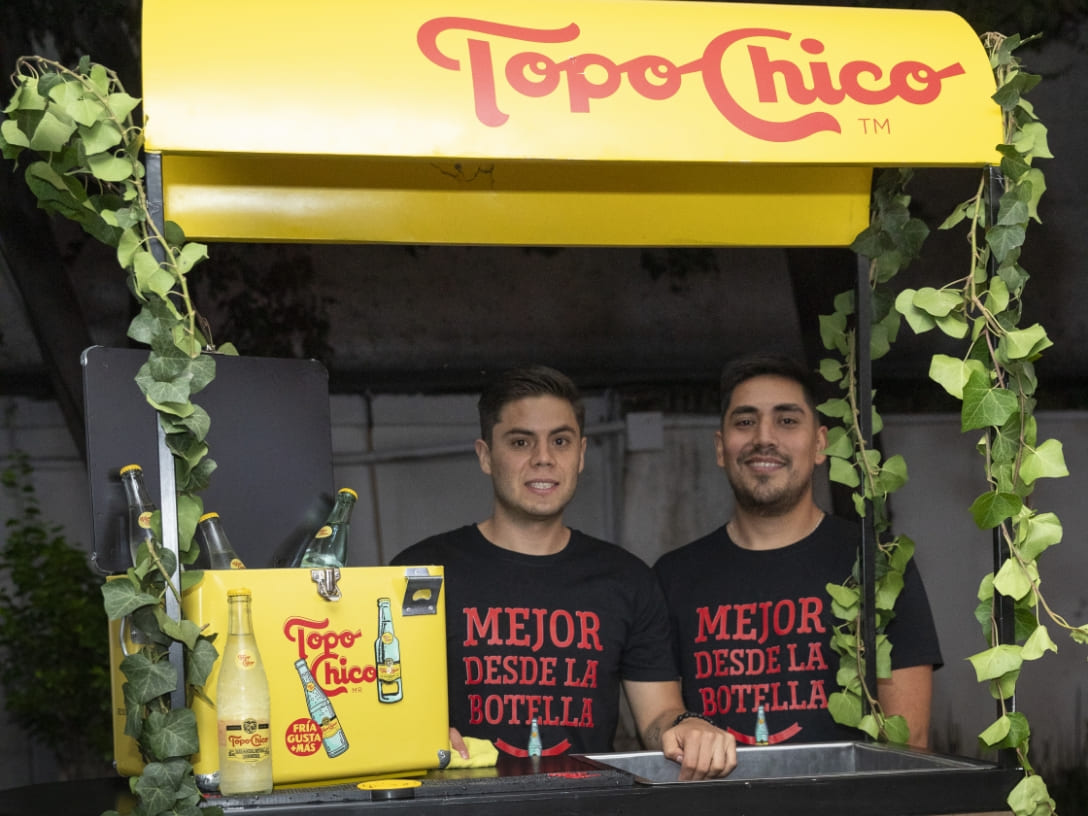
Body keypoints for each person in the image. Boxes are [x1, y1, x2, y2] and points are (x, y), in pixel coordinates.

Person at [392, 365, 736, 779]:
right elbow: (386, 708)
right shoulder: (421, 573)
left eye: (560, 441)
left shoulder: (626, 578)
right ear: (485, 456)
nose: (543, 458)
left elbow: (658, 716)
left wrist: (687, 727)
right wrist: (414, 734)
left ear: (581, 454)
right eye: (521, 442)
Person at [654, 352, 942, 748]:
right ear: (721, 448)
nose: (764, 438)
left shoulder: (879, 565)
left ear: (820, 445)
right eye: (745, 421)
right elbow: (659, 717)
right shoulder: (673, 576)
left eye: (787, 420)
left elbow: (909, 741)